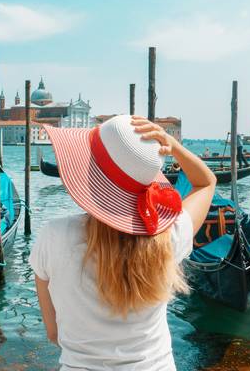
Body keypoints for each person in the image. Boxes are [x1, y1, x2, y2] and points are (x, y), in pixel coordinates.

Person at [29, 114, 216, 370]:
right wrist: (172, 145)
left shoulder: (54, 236)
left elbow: (54, 333)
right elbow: (206, 182)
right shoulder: (168, 238)